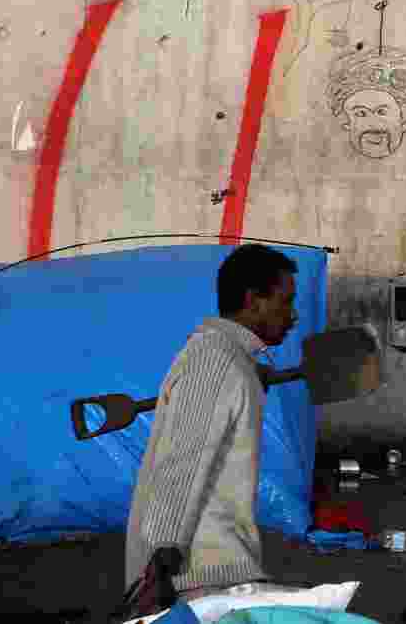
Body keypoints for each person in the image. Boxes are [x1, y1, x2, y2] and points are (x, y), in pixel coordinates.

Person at [124, 244, 298, 602]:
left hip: (214, 570)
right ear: (253, 300)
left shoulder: (227, 360)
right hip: (196, 577)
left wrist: (249, 375)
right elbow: (183, 461)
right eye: (285, 302)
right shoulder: (216, 362)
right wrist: (160, 558)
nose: (292, 315)